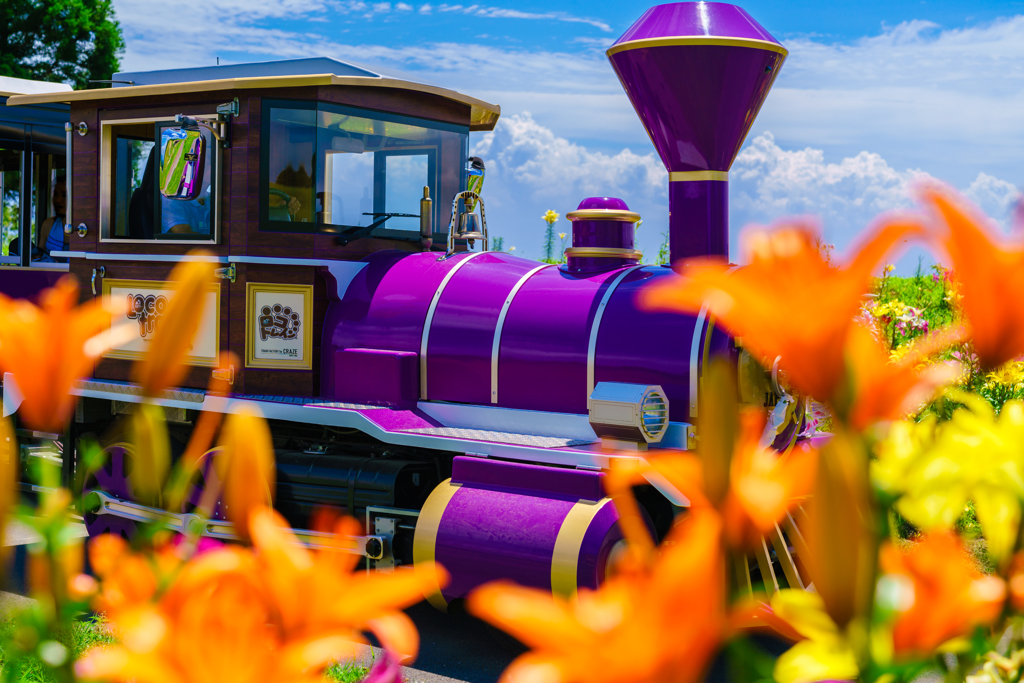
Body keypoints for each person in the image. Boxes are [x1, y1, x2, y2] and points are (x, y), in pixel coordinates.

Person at [35, 176, 67, 262]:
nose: (58, 200)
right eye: (55, 194)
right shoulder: (48, 225)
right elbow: (38, 259)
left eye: (64, 195)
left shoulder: (84, 229)